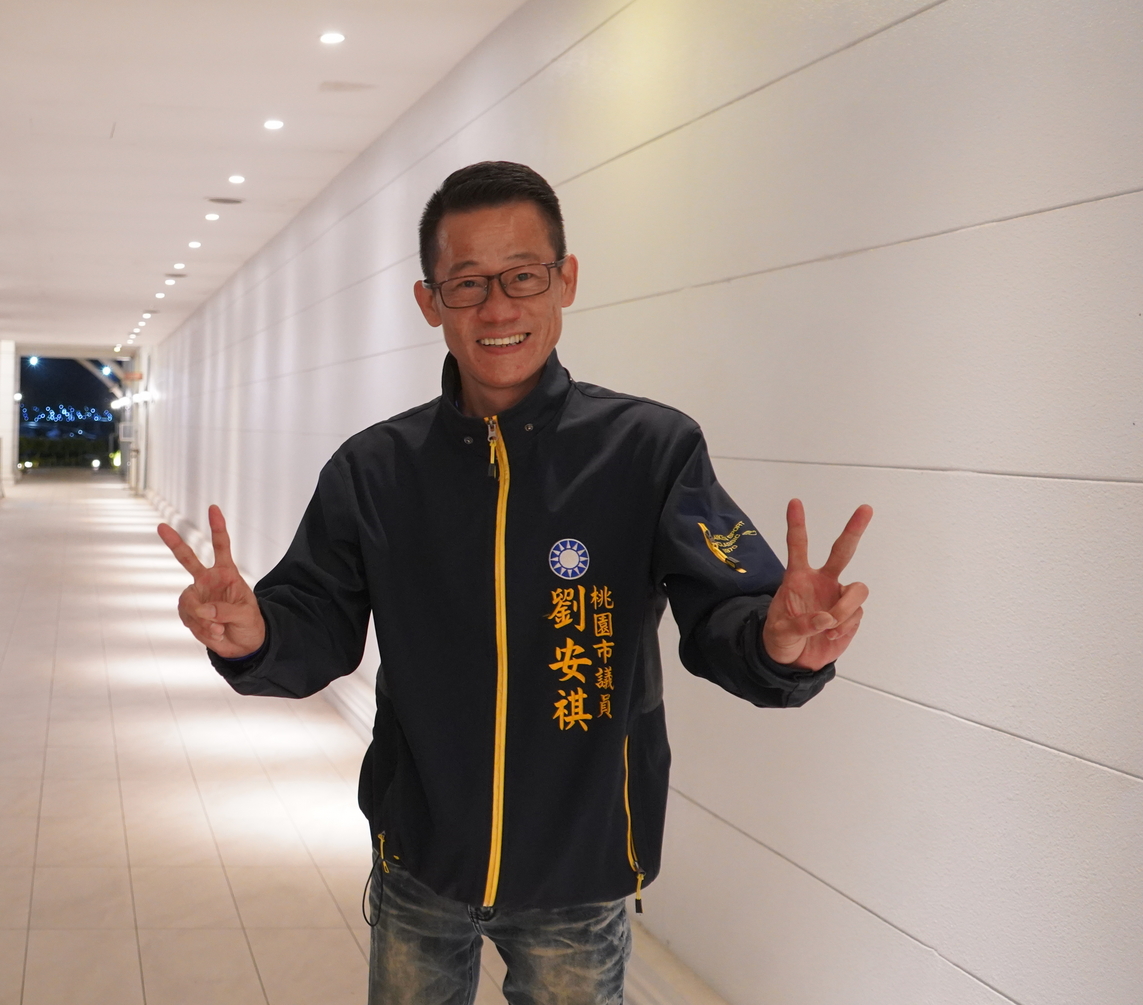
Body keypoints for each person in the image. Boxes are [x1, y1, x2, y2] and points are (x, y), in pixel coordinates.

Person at [157, 161, 873, 1005]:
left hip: (581, 867)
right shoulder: (375, 470)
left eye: (522, 276)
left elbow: (728, 612)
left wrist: (776, 647)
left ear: (564, 281)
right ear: (429, 302)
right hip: (421, 857)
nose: (496, 309)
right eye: (466, 284)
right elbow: (314, 621)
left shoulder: (647, 450)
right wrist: (256, 636)